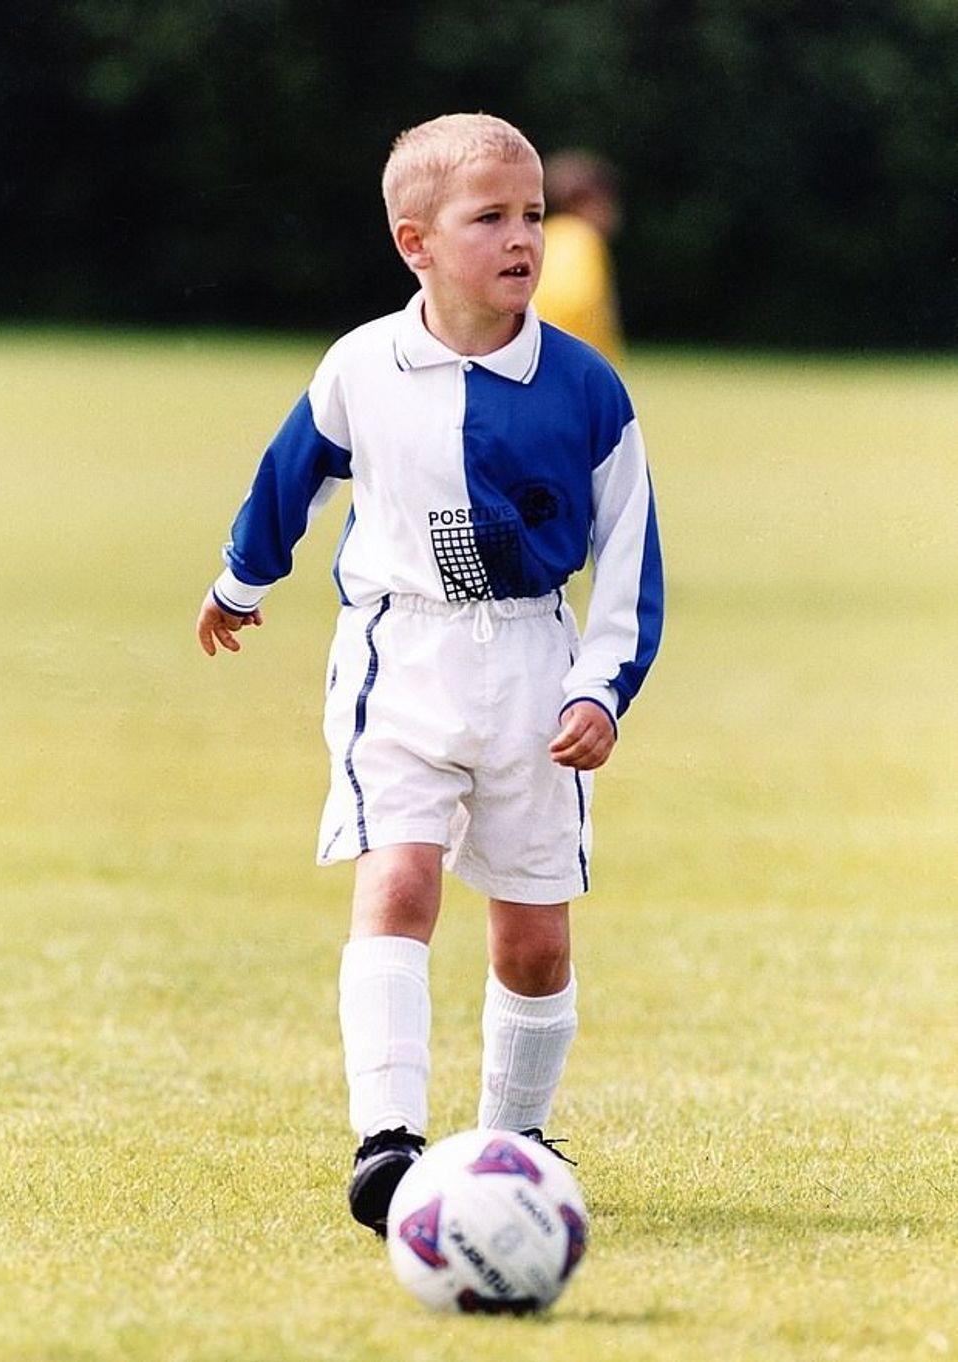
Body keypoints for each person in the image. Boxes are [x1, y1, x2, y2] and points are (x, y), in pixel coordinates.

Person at [196, 113, 663, 1238]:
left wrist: (599, 690)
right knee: (398, 881)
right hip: (397, 657)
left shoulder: (587, 387)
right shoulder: (362, 365)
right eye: (489, 217)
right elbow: (289, 479)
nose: (523, 238)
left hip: (534, 667)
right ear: (416, 242)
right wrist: (240, 582)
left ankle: (512, 1146)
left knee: (533, 940)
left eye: (533, 214)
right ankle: (388, 1143)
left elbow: (629, 561)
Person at [532, 150, 624, 364]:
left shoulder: (546, 234)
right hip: (570, 358)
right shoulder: (583, 238)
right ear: (590, 201)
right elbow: (578, 301)